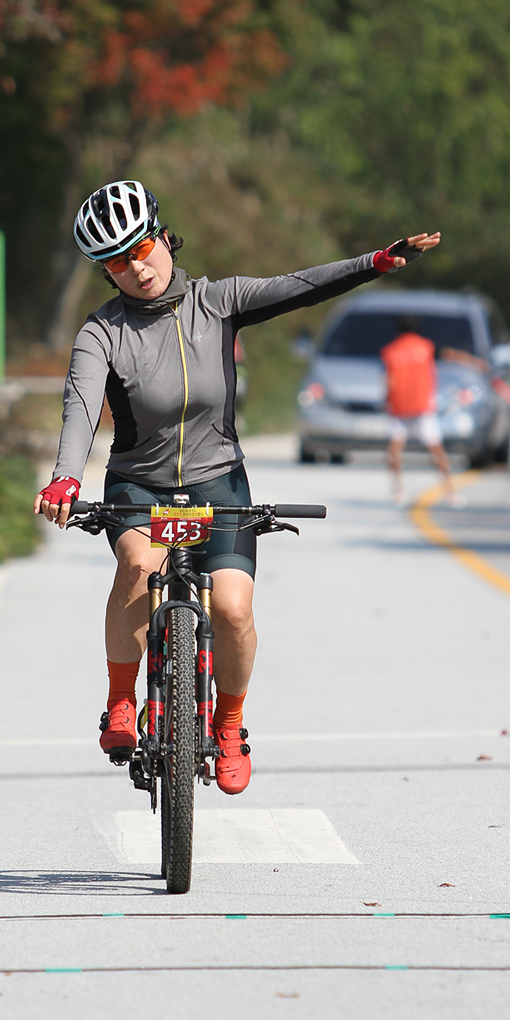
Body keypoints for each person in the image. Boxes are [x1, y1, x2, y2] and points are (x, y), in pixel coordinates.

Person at [34, 179, 440, 794]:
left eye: (141, 249)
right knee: (139, 565)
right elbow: (81, 404)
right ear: (105, 272)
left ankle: (228, 726)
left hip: (218, 481)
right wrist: (66, 476)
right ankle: (120, 700)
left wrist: (375, 262)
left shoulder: (218, 302)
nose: (136, 268)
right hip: (138, 486)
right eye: (117, 262)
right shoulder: (102, 332)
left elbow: (300, 285)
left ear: (162, 237)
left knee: (231, 608)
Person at [380, 315, 465, 507]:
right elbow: (448, 355)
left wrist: (386, 402)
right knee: (437, 451)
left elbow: (389, 380)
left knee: (394, 451)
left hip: (399, 408)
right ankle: (451, 492)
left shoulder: (391, 351)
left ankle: (398, 492)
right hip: (422, 407)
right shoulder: (426, 347)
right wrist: (475, 362)